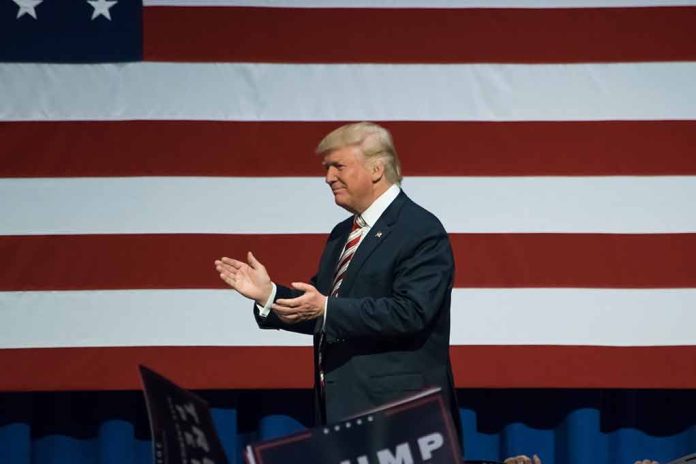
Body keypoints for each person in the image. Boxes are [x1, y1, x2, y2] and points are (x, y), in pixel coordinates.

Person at [214, 122, 461, 441]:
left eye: (338, 166)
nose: (328, 177)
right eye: (327, 168)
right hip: (344, 414)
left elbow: (411, 312)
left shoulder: (420, 230)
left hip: (399, 419)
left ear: (376, 169)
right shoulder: (342, 234)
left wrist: (326, 309)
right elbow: (318, 307)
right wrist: (268, 295)